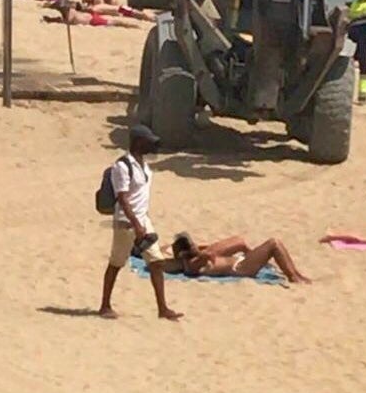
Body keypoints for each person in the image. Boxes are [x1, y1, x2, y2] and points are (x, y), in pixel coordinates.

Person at [99, 125, 182, 321]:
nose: (152, 145)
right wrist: (135, 223)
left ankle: (163, 308)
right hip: (126, 223)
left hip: (143, 219)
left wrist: (142, 221)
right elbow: (123, 198)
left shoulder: (143, 165)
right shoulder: (122, 166)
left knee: (156, 262)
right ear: (138, 142)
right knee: (116, 263)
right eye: (148, 142)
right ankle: (105, 305)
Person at [169, 234, 311, 284]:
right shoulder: (192, 264)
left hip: (240, 261)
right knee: (274, 243)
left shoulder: (192, 259)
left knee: (273, 244)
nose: (195, 246)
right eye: (192, 246)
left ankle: (296, 274)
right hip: (241, 268)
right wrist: (203, 253)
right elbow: (206, 257)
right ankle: (293, 277)